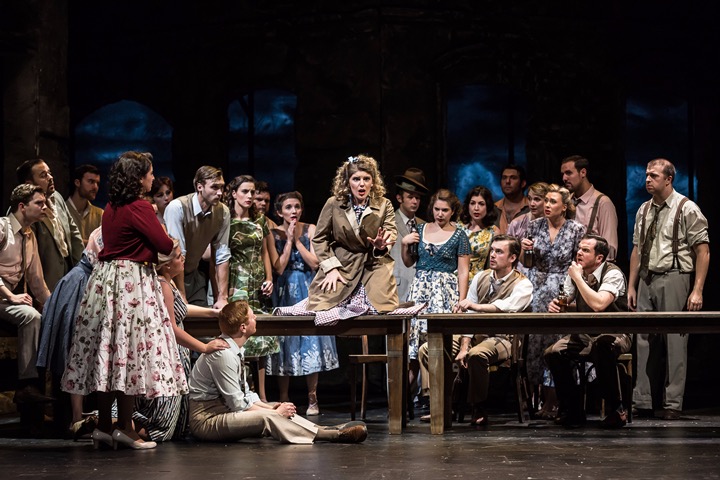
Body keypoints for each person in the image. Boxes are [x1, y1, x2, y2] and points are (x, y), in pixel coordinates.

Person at [62, 151, 185, 451]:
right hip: (131, 282)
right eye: (149, 173)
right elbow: (164, 244)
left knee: (111, 354)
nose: (153, 178)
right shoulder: (140, 206)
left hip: (107, 281)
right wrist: (171, 244)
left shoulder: (111, 207)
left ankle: (106, 426)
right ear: (138, 178)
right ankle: (126, 429)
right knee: (130, 353)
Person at [188, 300, 368, 444]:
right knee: (267, 417)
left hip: (225, 411)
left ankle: (324, 430)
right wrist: (273, 412)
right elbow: (237, 403)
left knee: (276, 407)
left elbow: (245, 395)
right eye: (252, 316)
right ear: (243, 327)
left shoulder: (234, 349)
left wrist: (273, 407)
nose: (256, 318)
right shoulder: (223, 354)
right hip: (208, 419)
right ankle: (331, 436)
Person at [417, 235, 533, 425]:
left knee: (477, 355)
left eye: (499, 252)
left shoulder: (523, 284)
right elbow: (469, 317)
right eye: (492, 250)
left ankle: (478, 405)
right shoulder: (481, 277)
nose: (492, 255)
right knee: (429, 349)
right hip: (475, 334)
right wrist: (464, 345)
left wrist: (475, 306)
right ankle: (441, 403)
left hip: (504, 338)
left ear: (512, 257)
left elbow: (506, 307)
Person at [628, 158, 710, 420]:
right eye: (646, 175)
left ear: (668, 179)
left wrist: (697, 290)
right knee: (643, 340)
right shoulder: (644, 209)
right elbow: (637, 248)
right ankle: (643, 400)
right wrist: (632, 285)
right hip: (647, 278)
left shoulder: (686, 208)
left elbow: (703, 251)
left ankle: (673, 403)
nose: (647, 180)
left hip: (674, 276)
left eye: (653, 175)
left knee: (675, 340)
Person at [133, 239, 228, 442]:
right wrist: (204, 347)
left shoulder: (168, 281)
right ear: (167, 265)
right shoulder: (162, 285)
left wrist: (213, 312)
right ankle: (108, 424)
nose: (183, 258)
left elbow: (180, 309)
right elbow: (172, 329)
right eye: (178, 256)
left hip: (175, 354)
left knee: (174, 425)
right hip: (166, 356)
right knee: (161, 424)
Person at [545, 234, 631, 428]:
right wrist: (558, 304)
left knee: (602, 347)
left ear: (599, 258)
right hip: (585, 333)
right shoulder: (577, 272)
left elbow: (599, 304)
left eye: (585, 250)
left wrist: (577, 278)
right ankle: (572, 409)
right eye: (579, 249)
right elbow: (566, 299)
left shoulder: (612, 273)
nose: (579, 253)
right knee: (553, 353)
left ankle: (616, 409)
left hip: (615, 333)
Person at [266, 191, 338, 416]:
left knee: (310, 339)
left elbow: (315, 263)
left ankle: (312, 397)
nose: (293, 211)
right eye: (288, 207)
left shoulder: (310, 229)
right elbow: (278, 267)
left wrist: (297, 239)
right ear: (279, 212)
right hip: (284, 291)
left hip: (308, 288)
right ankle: (284, 397)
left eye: (296, 206)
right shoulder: (273, 233)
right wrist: (288, 240)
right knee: (285, 341)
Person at [520, 184, 586, 419]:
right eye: (545, 201)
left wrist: (571, 292)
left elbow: (579, 263)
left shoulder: (576, 229)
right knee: (537, 346)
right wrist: (524, 250)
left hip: (562, 289)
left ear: (564, 207)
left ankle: (558, 402)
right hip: (537, 288)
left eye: (552, 202)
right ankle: (542, 401)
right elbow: (527, 263)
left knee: (557, 344)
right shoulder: (535, 226)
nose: (546, 205)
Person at [305, 155, 398, 317]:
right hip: (343, 265)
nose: (361, 184)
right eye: (356, 179)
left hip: (374, 264)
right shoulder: (334, 203)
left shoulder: (384, 204)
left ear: (373, 182)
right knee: (323, 306)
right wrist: (331, 268)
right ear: (347, 182)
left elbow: (390, 231)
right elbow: (320, 239)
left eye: (366, 179)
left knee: (383, 309)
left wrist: (382, 246)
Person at [402, 188, 470, 409]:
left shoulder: (459, 235)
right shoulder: (421, 229)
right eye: (437, 209)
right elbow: (408, 262)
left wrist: (461, 300)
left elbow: (463, 271)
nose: (440, 214)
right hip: (420, 290)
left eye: (445, 210)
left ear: (453, 211)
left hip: (444, 292)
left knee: (437, 343)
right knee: (415, 345)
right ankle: (409, 400)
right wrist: (404, 244)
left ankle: (438, 398)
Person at [36, 226, 103, 437]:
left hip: (90, 282)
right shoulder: (107, 230)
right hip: (82, 283)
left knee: (82, 350)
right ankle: (75, 418)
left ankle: (81, 417)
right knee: (75, 348)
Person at [224, 175, 279, 402]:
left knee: (260, 335)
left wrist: (269, 278)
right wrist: (222, 290)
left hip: (257, 281)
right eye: (245, 191)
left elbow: (265, 252)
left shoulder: (259, 220)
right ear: (234, 193)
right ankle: (240, 391)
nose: (250, 196)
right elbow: (220, 255)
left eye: (252, 192)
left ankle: (262, 396)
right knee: (239, 333)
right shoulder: (226, 219)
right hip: (236, 280)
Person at [0, 184, 52, 406]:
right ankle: (27, 385)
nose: (44, 207)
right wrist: (10, 296)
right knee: (31, 316)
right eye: (39, 203)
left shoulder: (30, 236)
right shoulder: (2, 228)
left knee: (48, 317)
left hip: (6, 299)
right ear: (22, 206)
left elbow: (37, 281)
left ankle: (40, 389)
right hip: (4, 296)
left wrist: (54, 307)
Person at [164, 166, 230, 308]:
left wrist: (222, 297)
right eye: (214, 187)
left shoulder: (223, 212)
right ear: (200, 186)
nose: (220, 192)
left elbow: (222, 255)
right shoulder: (178, 207)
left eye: (221, 187)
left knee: (203, 318)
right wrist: (181, 293)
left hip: (194, 276)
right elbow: (178, 253)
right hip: (171, 277)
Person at [16, 159, 84, 291]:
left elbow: (73, 232)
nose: (50, 178)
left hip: (69, 273)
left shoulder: (57, 197)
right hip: (46, 280)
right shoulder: (25, 210)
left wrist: (81, 269)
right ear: (29, 184)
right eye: (43, 175)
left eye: (49, 173)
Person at [560, 155, 619, 261]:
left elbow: (609, 248)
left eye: (569, 173)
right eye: (563, 174)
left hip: (591, 267)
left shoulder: (602, 203)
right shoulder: (566, 201)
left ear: (583, 172)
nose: (564, 178)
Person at [389, 168, 429, 303]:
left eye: (417, 198)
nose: (415, 201)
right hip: (397, 288)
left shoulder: (423, 225)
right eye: (410, 197)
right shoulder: (389, 222)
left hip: (419, 288)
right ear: (399, 198)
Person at [458, 186, 499, 280]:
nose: (476, 208)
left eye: (481, 204)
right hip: (454, 278)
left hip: (477, 280)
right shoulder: (457, 227)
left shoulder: (493, 231)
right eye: (472, 203)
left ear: (488, 206)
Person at [66, 164, 103, 246]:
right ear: (77, 182)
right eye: (91, 182)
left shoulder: (100, 214)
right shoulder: (62, 210)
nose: (95, 187)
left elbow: (103, 244)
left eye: (97, 183)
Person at [493, 164, 529, 234]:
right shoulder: (493, 209)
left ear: (523, 183)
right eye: (504, 178)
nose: (507, 181)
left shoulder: (532, 208)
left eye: (513, 178)